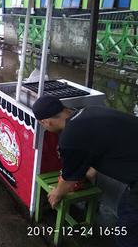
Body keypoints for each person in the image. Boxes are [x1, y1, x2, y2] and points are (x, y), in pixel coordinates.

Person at [32, 95, 138, 247]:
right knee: (126, 210)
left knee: (128, 228)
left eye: (42, 125)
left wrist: (56, 194)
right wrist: (89, 172)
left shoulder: (69, 137)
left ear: (45, 122)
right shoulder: (88, 112)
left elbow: (68, 180)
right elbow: (103, 145)